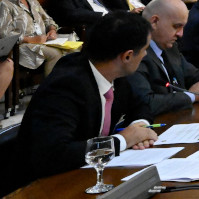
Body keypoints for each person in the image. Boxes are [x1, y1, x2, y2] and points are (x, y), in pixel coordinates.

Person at [17, 11, 157, 182]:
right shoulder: (66, 85)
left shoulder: (114, 72)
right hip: (44, 185)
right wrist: (122, 140)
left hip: (86, 175)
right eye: (144, 50)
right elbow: (54, 153)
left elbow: (140, 104)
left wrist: (140, 126)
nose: (145, 55)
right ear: (127, 56)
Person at [128, 0, 199, 115]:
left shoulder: (170, 47)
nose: (180, 34)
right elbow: (146, 103)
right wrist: (191, 96)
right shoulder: (136, 53)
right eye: (176, 27)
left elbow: (194, 75)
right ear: (154, 22)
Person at [0, 0, 64, 75]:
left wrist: (52, 30)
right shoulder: (5, 4)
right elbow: (4, 34)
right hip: (20, 47)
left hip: (42, 42)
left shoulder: (33, 1)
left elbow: (48, 20)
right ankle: (50, 86)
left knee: (72, 51)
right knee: (55, 54)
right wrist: (31, 39)